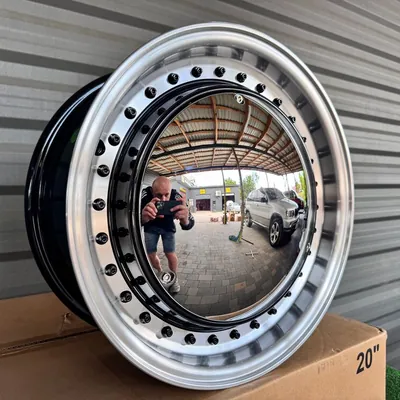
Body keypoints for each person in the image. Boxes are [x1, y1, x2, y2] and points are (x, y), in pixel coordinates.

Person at [141, 176, 195, 294]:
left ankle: (174, 279)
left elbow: (190, 221)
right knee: (150, 254)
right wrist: (142, 218)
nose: (164, 200)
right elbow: (131, 219)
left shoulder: (176, 196)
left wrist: (185, 220)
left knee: (170, 253)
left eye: (167, 194)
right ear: (152, 191)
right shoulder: (144, 195)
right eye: (159, 195)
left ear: (171, 191)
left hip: (168, 228)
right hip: (150, 228)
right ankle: (160, 272)